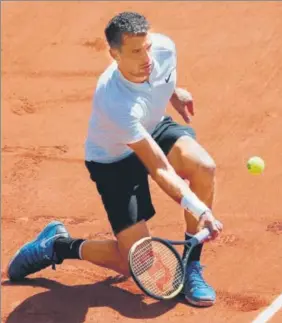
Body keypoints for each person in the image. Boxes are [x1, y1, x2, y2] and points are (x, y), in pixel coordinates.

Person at [7, 12, 223, 307]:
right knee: (135, 262)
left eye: (146, 46)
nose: (147, 57)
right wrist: (200, 210)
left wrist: (174, 92)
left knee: (203, 167)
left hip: (151, 127)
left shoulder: (164, 48)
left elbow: (162, 75)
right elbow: (159, 167)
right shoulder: (114, 101)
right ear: (114, 54)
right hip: (114, 160)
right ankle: (56, 246)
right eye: (135, 51)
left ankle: (191, 266)